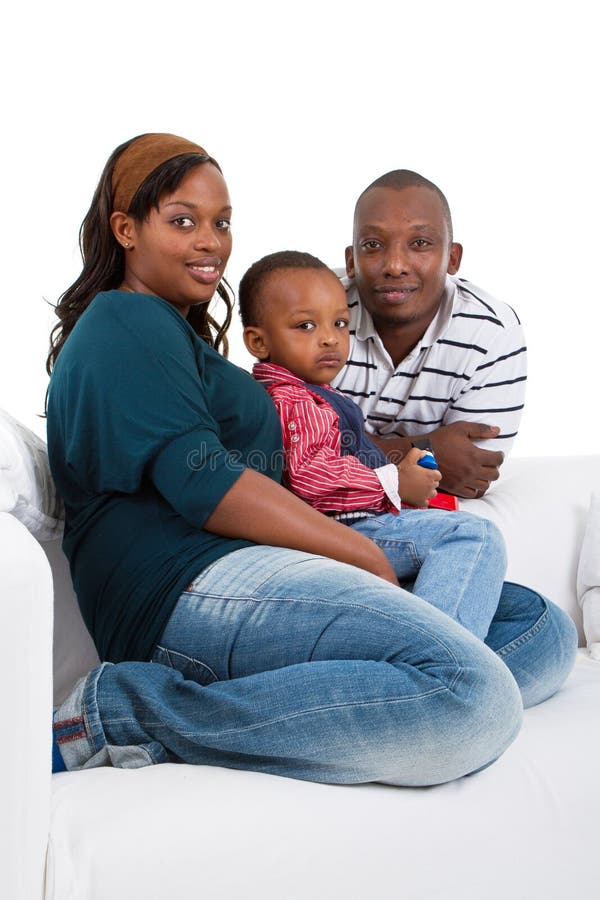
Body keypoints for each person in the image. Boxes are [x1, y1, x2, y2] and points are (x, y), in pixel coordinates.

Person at [47, 133, 576, 786]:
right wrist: (364, 555)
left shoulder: (174, 335)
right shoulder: (127, 321)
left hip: (251, 573)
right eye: (182, 221)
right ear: (125, 229)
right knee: (477, 696)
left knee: (541, 630)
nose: (210, 241)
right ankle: (127, 712)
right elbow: (205, 483)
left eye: (221, 222)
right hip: (184, 588)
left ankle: (384, 685)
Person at [240, 249, 506, 639]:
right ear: (258, 342)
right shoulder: (295, 401)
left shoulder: (315, 394)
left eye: (340, 323)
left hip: (354, 524)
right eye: (306, 326)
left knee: (534, 620)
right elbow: (310, 479)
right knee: (471, 536)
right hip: (340, 531)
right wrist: (393, 482)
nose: (330, 338)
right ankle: (432, 661)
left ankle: (419, 658)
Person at [332, 170, 527, 499]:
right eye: (373, 244)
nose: (395, 265)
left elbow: (467, 476)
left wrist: (351, 455)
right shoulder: (311, 311)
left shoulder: (492, 332)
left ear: (453, 258)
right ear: (351, 261)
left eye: (419, 243)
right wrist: (423, 448)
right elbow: (288, 457)